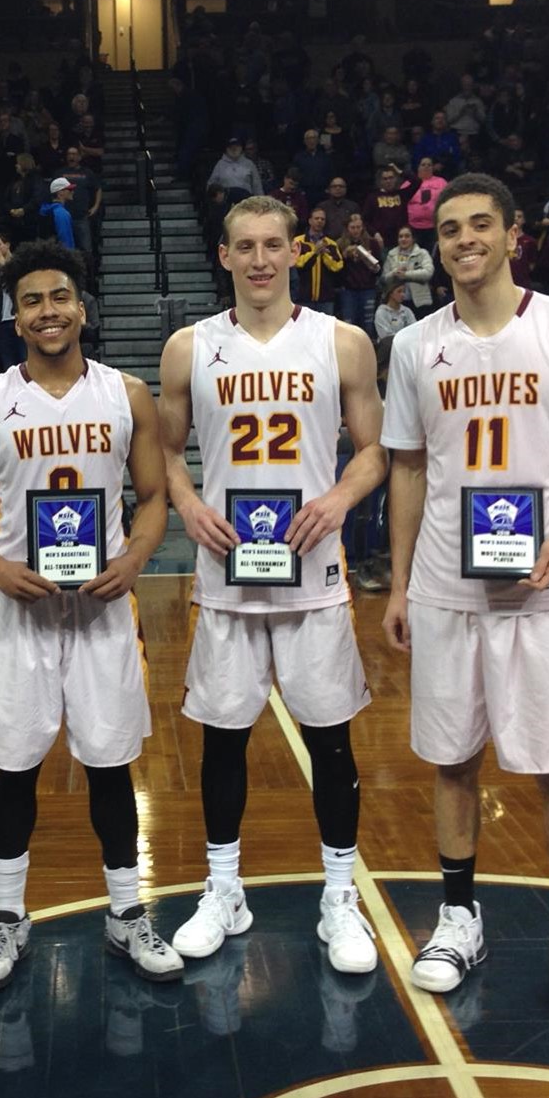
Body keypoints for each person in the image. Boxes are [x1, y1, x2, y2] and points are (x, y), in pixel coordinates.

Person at [380, 172, 549, 1022]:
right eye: (450, 229)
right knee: (452, 759)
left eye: (480, 225)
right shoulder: (415, 346)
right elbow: (408, 467)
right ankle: (460, 918)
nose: (465, 240)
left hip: (540, 590)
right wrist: (401, 581)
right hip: (445, 587)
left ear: (513, 234)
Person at [157, 194, 386, 975]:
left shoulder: (342, 342)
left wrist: (339, 498)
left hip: (313, 575)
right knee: (223, 740)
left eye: (272, 245)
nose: (260, 259)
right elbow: (164, 452)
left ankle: (339, 898)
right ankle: (225, 890)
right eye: (245, 246)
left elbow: (374, 450)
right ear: (224, 256)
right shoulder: (189, 348)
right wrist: (189, 503)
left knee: (330, 741)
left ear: (294, 251)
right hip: (227, 575)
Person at [0, 240, 182, 989]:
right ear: (15, 319)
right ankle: (8, 918)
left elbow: (153, 497)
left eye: (58, 297)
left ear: (82, 307)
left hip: (103, 610)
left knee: (111, 764)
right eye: (32, 302)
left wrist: (135, 559)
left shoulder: (126, 394)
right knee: (13, 768)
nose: (47, 312)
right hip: (19, 612)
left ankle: (126, 912)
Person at [293, 208, 344, 313]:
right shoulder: (298, 242)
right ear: (310, 221)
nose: (320, 221)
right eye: (317, 218)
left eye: (322, 219)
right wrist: (315, 252)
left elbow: (337, 266)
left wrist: (324, 254)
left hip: (325, 299)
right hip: (302, 297)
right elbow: (296, 262)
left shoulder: (331, 243)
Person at [0, 234, 24, 369]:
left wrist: (4, 267)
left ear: (7, 245)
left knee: (24, 359)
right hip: (1, 321)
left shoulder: (19, 264)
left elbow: (21, 286)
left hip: (18, 318)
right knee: (8, 363)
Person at [383, 225, 435, 314]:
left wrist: (406, 275)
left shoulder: (422, 253)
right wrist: (394, 273)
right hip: (397, 303)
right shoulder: (391, 254)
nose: (403, 239)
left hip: (420, 303)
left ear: (413, 238)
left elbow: (428, 273)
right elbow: (384, 278)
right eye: (400, 236)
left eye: (407, 236)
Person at [40, 178, 76, 247]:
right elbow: (65, 239)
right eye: (69, 189)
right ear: (60, 192)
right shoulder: (61, 213)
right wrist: (69, 253)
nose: (72, 192)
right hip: (60, 252)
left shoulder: (46, 210)